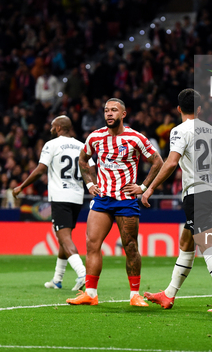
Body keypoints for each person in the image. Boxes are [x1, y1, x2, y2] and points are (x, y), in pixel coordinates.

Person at [141, 89, 212, 313]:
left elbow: (170, 163)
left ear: (178, 109)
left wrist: (150, 188)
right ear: (199, 109)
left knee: (207, 245)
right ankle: (168, 294)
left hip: (197, 193)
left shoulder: (179, 130)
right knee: (187, 242)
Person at [67, 98, 163, 307]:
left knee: (130, 246)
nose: (109, 114)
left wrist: (143, 187)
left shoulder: (135, 138)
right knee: (92, 244)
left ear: (123, 114)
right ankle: (90, 294)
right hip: (102, 199)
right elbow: (82, 160)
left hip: (126, 201)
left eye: (114, 110)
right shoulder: (95, 137)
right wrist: (90, 185)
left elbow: (158, 161)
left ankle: (134, 295)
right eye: (106, 110)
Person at [13, 116, 87, 291]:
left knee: (63, 237)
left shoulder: (51, 144)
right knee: (64, 238)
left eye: (53, 126)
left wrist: (21, 186)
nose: (51, 129)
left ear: (60, 128)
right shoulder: (82, 146)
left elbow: (40, 170)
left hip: (60, 196)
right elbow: (89, 169)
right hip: (77, 196)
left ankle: (83, 273)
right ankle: (57, 279)